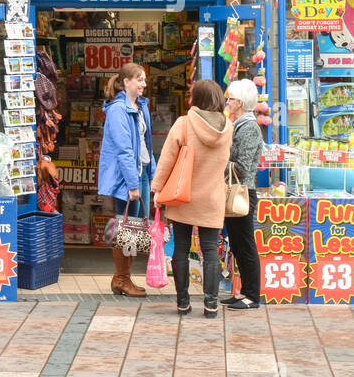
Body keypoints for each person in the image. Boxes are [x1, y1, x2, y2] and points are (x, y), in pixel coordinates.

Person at [152, 80, 233, 318]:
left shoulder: (184, 124)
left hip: (182, 195)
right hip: (212, 197)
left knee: (181, 248)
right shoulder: (227, 127)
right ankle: (211, 304)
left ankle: (183, 302)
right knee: (209, 250)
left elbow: (167, 159)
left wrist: (157, 189)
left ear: (197, 98)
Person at [97, 63, 156, 297]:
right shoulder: (118, 109)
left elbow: (145, 144)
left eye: (144, 79)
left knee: (135, 227)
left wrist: (152, 175)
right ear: (126, 82)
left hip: (140, 173)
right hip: (128, 177)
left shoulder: (141, 106)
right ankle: (122, 278)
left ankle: (122, 278)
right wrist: (132, 184)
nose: (143, 84)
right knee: (127, 227)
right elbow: (123, 150)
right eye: (139, 79)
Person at [223, 79, 264, 310]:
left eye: (230, 98)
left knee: (245, 244)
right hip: (235, 191)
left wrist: (220, 160)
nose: (227, 102)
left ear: (240, 102)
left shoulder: (249, 128)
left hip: (242, 193)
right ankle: (243, 291)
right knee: (237, 244)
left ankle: (252, 295)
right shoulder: (239, 124)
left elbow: (244, 166)